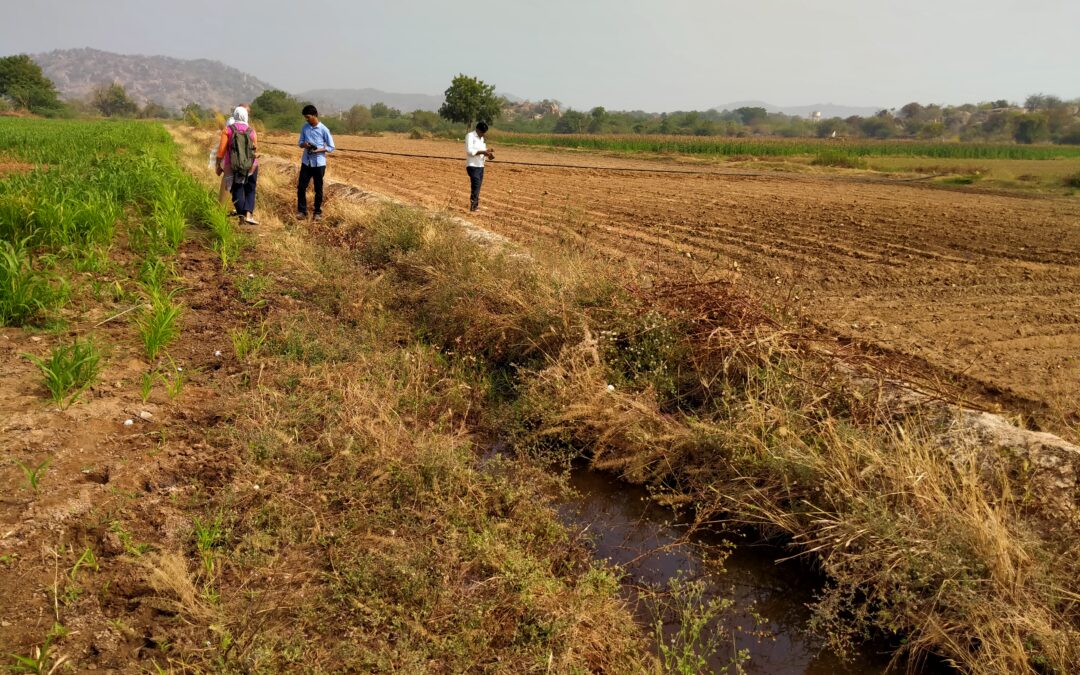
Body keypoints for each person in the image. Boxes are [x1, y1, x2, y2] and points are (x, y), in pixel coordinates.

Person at [216, 105, 259, 224]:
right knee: (250, 189)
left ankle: (241, 217)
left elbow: (221, 151)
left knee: (236, 189)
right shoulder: (252, 131)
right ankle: (249, 215)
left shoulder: (228, 130)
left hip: (233, 165)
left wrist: (218, 165)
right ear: (246, 116)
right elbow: (255, 149)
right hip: (251, 165)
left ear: (235, 115)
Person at [296, 104, 335, 221]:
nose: (306, 119)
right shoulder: (305, 127)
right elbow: (300, 143)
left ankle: (317, 212)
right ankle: (302, 211)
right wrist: (305, 145)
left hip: (319, 163)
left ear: (314, 115)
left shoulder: (324, 129)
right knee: (301, 187)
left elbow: (331, 147)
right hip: (306, 162)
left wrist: (319, 149)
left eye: (308, 117)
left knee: (318, 189)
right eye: (305, 118)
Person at [465, 121, 494, 212]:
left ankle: (475, 205)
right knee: (476, 186)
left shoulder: (481, 138)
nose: (483, 134)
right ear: (477, 129)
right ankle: (473, 207)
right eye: (482, 132)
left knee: (478, 186)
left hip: (481, 166)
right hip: (473, 166)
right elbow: (470, 151)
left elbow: (482, 151)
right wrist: (483, 152)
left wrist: (488, 153)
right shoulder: (470, 136)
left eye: (484, 133)